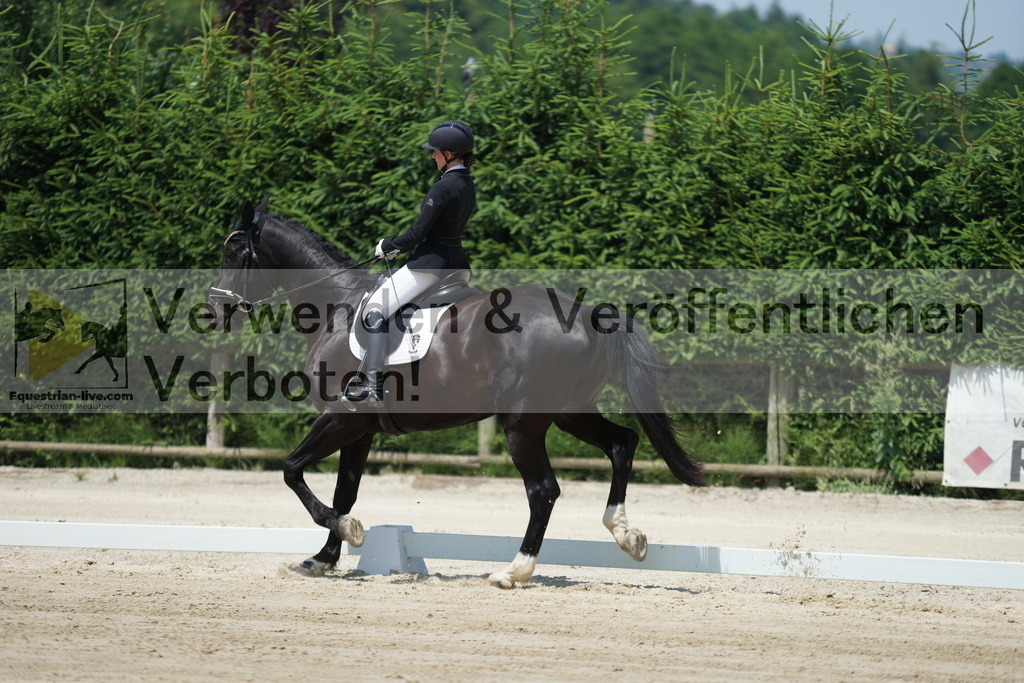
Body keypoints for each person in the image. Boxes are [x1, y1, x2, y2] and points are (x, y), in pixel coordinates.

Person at [343, 120, 477, 406]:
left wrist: (388, 245)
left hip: (430, 266)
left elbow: (418, 234)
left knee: (375, 310)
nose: (432, 156)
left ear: (450, 153)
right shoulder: (467, 184)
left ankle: (373, 384)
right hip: (458, 265)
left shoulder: (442, 188)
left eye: (436, 151)